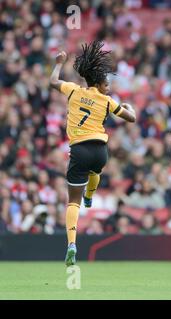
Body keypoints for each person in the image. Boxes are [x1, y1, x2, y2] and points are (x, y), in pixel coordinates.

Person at [49, 41, 136, 266]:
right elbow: (131, 118)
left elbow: (53, 81)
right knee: (95, 171)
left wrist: (59, 64)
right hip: (99, 150)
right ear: (98, 84)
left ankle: (71, 244)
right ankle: (91, 195)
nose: (108, 86)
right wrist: (129, 107)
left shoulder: (74, 91)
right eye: (106, 83)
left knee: (72, 203)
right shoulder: (107, 101)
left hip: (79, 149)